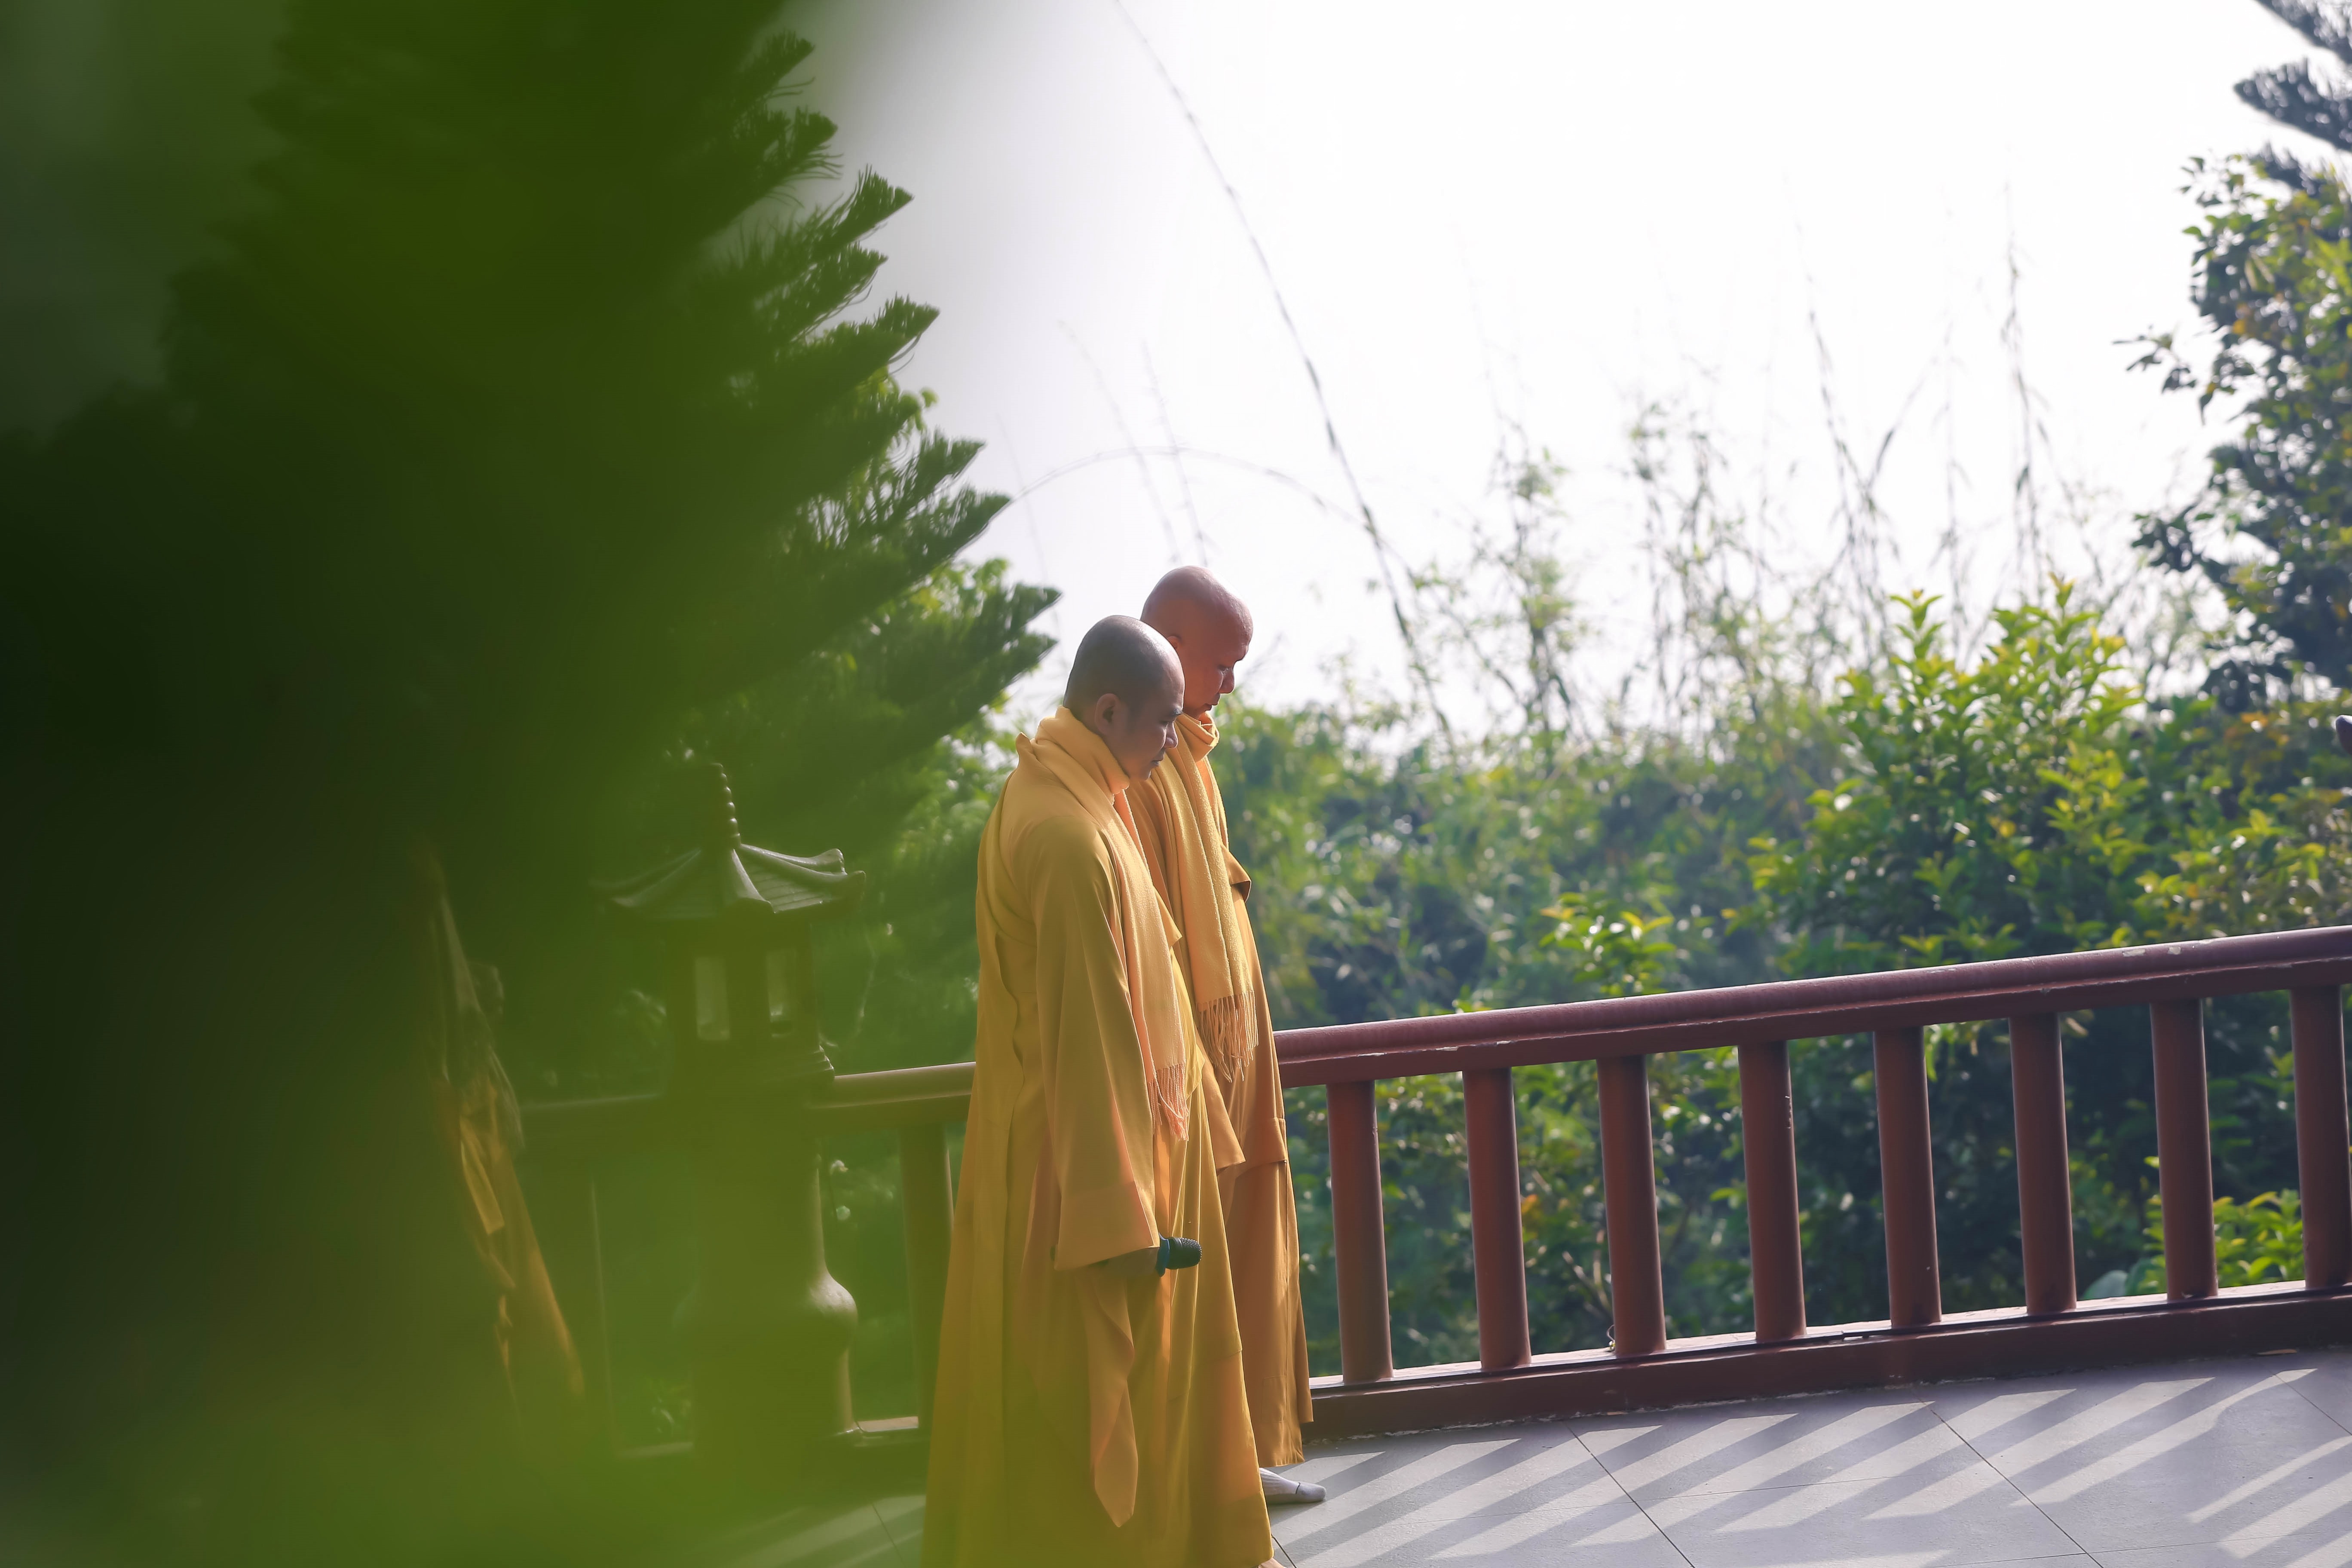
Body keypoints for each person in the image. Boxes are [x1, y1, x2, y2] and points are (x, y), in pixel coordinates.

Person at [923, 617, 1276, 1568]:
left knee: (1156, 1410)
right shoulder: (1066, 835)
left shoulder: (1077, 793)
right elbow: (1085, 1038)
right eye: (1163, 721)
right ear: (1109, 710)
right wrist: (1116, 1225)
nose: (1175, 739)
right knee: (1088, 1414)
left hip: (1133, 1144)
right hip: (1087, 1178)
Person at [1129, 568, 1319, 1503]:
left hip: (1239, 1063)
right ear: (1170, 649)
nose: (1231, 686)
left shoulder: (1190, 760)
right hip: (1193, 1078)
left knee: (1249, 1254)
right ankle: (1206, 1465)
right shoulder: (1140, 773)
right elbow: (1152, 935)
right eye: (1221, 664)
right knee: (1200, 1267)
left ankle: (1244, 1452)